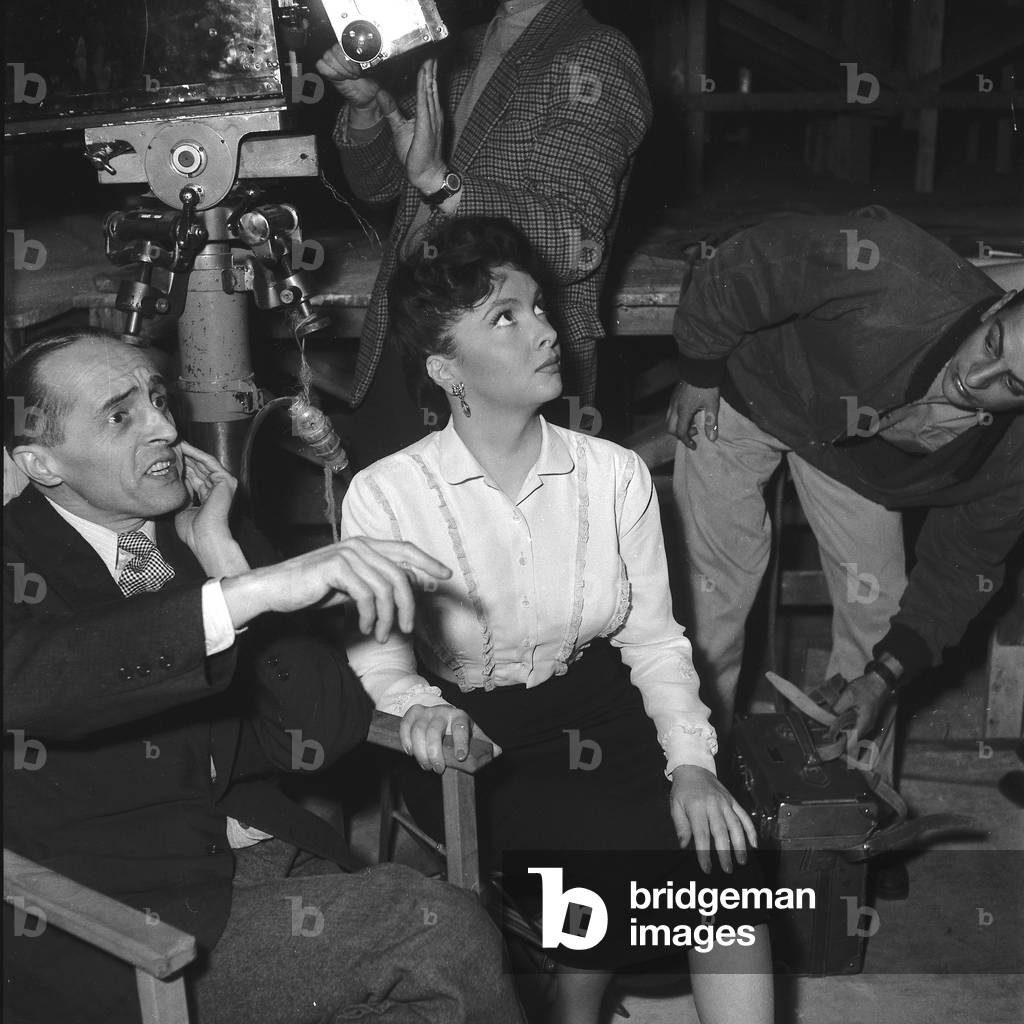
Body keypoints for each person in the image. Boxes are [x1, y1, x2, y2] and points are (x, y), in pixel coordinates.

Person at [3, 329, 526, 1024]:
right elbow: (45, 676)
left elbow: (325, 731)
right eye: (120, 415)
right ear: (41, 463)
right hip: (121, 920)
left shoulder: (206, 530)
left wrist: (226, 558)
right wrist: (246, 597)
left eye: (159, 401)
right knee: (438, 927)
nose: (164, 426)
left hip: (267, 857)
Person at [338, 217, 773, 1024]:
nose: (544, 329)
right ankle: (579, 1006)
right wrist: (417, 709)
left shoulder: (615, 473)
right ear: (445, 368)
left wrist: (690, 762)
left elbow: (653, 640)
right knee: (603, 874)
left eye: (537, 307)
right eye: (505, 316)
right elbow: (382, 665)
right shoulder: (385, 495)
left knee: (729, 868)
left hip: (601, 704)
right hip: (478, 737)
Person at [666, 206, 1024, 798]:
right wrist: (699, 367)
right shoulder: (889, 265)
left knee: (879, 611)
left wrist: (885, 675)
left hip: (851, 449)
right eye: (992, 343)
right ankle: (697, 784)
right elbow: (747, 263)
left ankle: (855, 810)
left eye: (1013, 385)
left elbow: (962, 571)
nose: (978, 378)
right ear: (995, 304)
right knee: (713, 607)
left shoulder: (1011, 459)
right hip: (749, 391)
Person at [317, 0, 652, 455]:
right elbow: (375, 186)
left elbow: (573, 239)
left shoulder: (593, 53)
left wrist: (441, 182)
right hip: (412, 334)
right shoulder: (460, 45)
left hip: (506, 361)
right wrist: (366, 107)